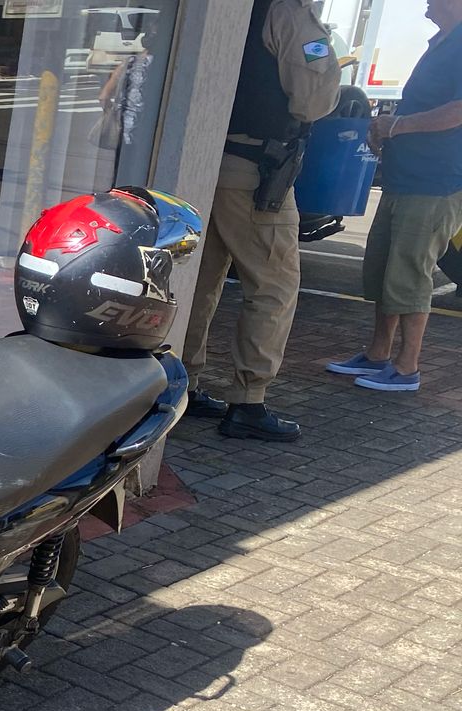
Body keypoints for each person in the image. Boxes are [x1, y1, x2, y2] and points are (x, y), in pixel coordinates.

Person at [181, 0, 342, 441]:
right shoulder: (288, 11)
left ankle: (183, 382)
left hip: (205, 160)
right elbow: (313, 99)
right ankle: (248, 401)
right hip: (255, 171)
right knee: (273, 287)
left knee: (202, 278)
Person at [327, 0, 462, 391]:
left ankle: (407, 369)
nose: (426, 0)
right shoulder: (441, 41)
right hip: (406, 179)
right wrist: (387, 130)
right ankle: (377, 354)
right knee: (385, 269)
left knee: (410, 275)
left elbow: (457, 110)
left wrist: (398, 125)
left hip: (434, 183)